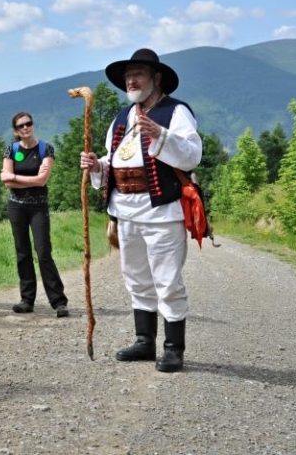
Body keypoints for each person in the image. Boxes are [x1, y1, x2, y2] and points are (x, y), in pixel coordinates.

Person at [80, 48, 202, 372]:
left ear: (156, 78)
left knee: (167, 280)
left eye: (138, 74)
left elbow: (191, 156)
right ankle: (145, 341)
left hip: (161, 211)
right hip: (126, 211)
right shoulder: (122, 118)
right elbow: (115, 160)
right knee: (136, 278)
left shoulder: (175, 113)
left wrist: (160, 135)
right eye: (128, 76)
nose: (131, 81)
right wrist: (96, 166)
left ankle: (173, 348)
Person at [1, 112, 69, 318]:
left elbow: (42, 180)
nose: (25, 128)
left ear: (33, 125)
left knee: (43, 252)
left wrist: (14, 177)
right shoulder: (11, 149)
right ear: (16, 131)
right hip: (16, 207)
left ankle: (59, 302)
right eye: (20, 126)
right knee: (22, 252)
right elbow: (6, 182)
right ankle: (26, 300)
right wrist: (23, 178)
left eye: (28, 124)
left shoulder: (45, 148)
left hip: (39, 207)